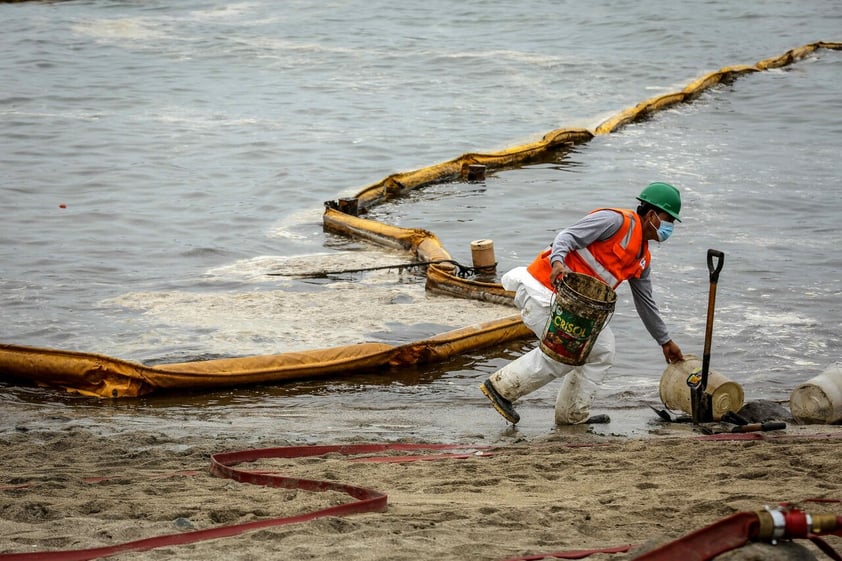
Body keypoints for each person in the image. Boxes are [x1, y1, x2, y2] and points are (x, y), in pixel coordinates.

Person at [480, 182, 685, 425]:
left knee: (603, 350)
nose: (669, 227)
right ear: (651, 215)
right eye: (668, 219)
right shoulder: (615, 221)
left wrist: (665, 341)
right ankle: (501, 388)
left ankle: (571, 414)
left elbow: (645, 304)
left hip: (574, 309)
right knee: (564, 351)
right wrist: (558, 261)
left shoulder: (642, 258)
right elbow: (567, 236)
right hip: (543, 292)